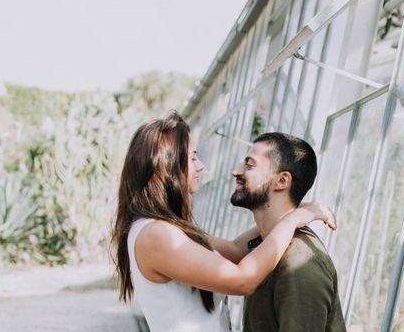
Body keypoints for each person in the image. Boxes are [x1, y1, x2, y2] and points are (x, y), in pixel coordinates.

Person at [111, 111, 336, 332]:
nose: (200, 166)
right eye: (192, 157)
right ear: (166, 165)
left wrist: (293, 213)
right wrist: (293, 219)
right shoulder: (156, 235)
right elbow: (242, 280)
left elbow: (236, 250)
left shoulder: (163, 229)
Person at [230, 132, 346, 332]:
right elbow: (225, 249)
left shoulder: (300, 265)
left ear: (282, 181)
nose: (236, 171)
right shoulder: (265, 242)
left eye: (249, 164)